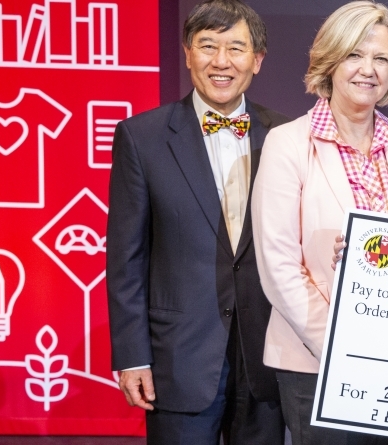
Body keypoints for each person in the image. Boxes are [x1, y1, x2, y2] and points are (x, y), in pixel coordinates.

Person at [250, 2, 388, 444]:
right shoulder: (287, 144)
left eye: (381, 59)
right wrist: (344, 347)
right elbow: (278, 265)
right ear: (330, 59)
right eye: (355, 55)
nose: (368, 70)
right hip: (315, 364)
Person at [106, 0, 288, 443]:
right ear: (188, 53)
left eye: (236, 48)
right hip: (179, 358)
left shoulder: (287, 137)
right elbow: (126, 258)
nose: (221, 62)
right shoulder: (142, 137)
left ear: (257, 60)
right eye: (207, 46)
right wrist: (132, 357)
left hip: (266, 356)